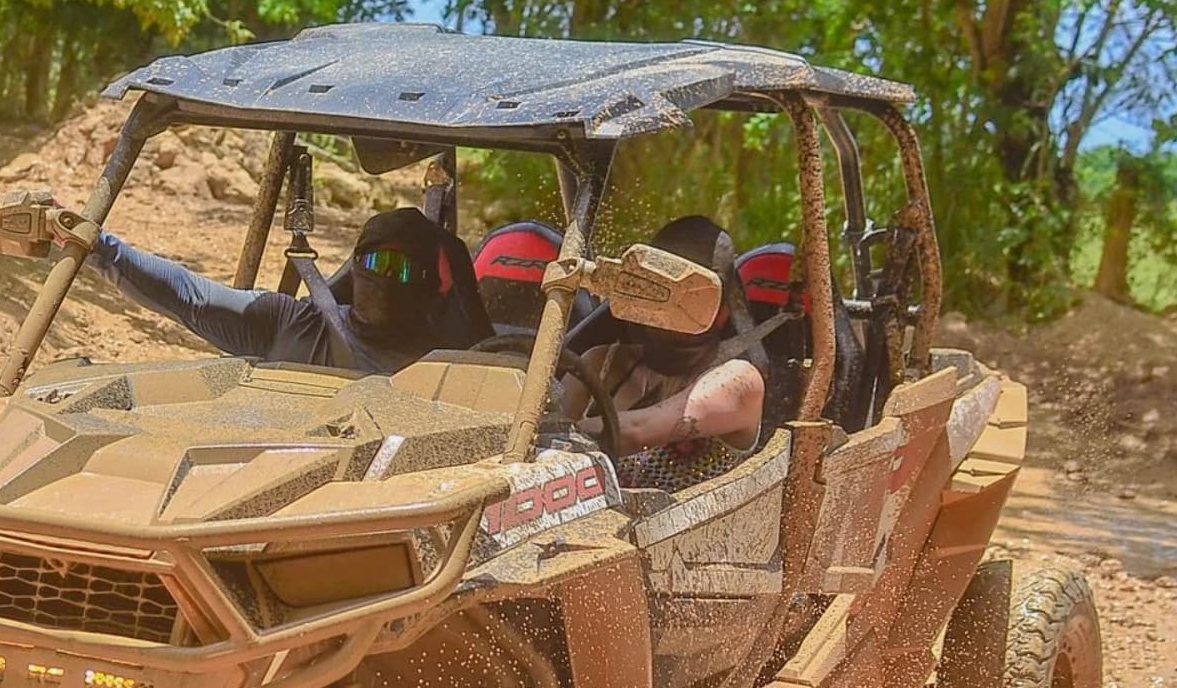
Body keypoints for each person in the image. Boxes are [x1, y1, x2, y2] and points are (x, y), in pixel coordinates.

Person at [59, 206, 462, 373]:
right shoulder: (294, 321)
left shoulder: (451, 367)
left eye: (404, 269)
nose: (387, 279)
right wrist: (95, 245)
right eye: (375, 262)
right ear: (355, 269)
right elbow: (189, 297)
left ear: (430, 284)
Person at [559, 215, 765, 492]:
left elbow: (638, 431)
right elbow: (552, 423)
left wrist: (541, 436)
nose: (669, 310)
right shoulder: (600, 363)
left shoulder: (740, 381)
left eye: (691, 301)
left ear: (723, 311)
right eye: (660, 292)